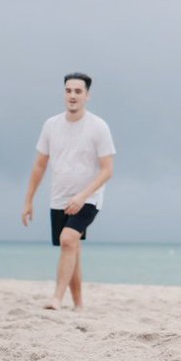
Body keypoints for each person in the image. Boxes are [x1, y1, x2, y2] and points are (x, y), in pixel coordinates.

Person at [22, 72, 115, 310]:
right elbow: (40, 164)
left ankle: (57, 298)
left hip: (89, 198)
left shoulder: (98, 126)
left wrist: (82, 196)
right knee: (71, 247)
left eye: (78, 91)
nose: (72, 96)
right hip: (59, 198)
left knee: (68, 239)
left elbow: (107, 170)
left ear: (87, 95)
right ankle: (79, 304)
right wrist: (28, 200)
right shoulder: (51, 125)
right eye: (68, 90)